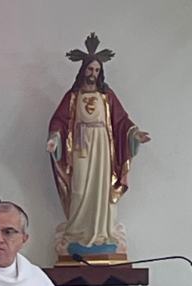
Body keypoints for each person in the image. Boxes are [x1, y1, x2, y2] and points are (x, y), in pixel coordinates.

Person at [47, 33, 150, 259]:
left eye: (96, 70)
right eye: (90, 69)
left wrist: (135, 134)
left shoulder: (107, 95)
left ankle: (102, 233)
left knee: (101, 190)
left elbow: (122, 120)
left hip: (103, 145)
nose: (93, 74)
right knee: (80, 188)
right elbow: (60, 120)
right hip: (81, 145)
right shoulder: (73, 96)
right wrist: (55, 138)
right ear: (83, 70)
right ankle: (77, 233)